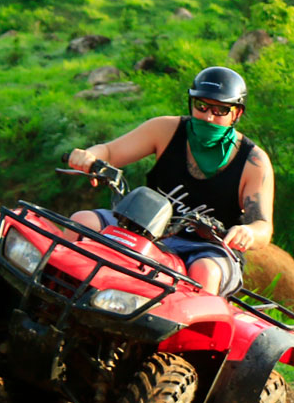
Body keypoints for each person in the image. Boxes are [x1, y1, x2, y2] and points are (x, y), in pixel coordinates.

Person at [66, 66, 273, 296]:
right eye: (201, 106)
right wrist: (89, 156)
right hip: (143, 226)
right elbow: (109, 151)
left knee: (205, 272)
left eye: (220, 110)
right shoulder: (165, 130)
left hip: (207, 248)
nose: (208, 117)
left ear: (236, 114)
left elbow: (263, 227)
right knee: (82, 221)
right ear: (191, 103)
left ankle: (189, 329)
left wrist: (248, 232)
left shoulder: (253, 161)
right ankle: (53, 296)